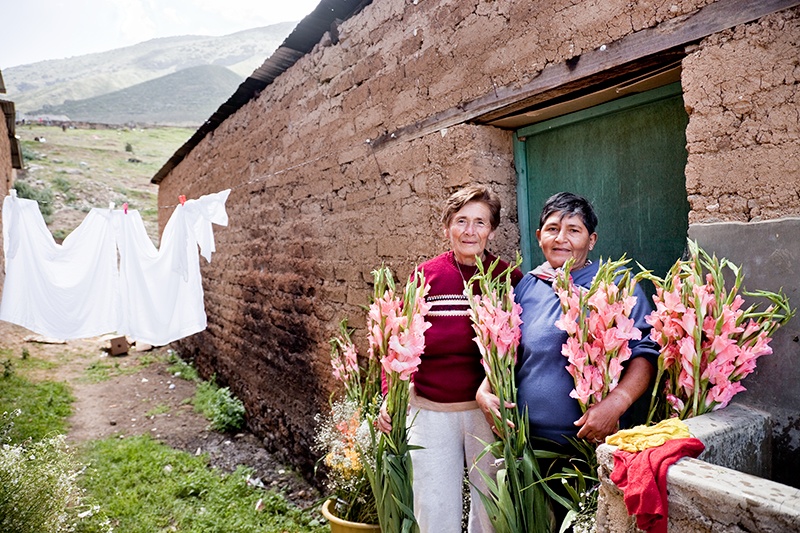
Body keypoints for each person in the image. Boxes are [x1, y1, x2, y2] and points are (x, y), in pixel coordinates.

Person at [377, 184, 523, 533]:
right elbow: (400, 341)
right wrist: (390, 397)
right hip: (430, 409)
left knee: (490, 507)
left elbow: (516, 347)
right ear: (447, 228)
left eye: (480, 222)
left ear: (491, 229)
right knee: (433, 505)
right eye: (461, 221)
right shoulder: (426, 276)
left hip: (486, 411)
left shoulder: (508, 277)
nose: (470, 231)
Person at [477, 191, 658, 446]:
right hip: (528, 443)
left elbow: (646, 353)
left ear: (591, 240)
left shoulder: (615, 285)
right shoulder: (527, 286)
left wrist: (618, 403)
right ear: (539, 237)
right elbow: (507, 348)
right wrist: (483, 391)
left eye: (574, 230)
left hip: (594, 439)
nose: (561, 239)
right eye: (552, 229)